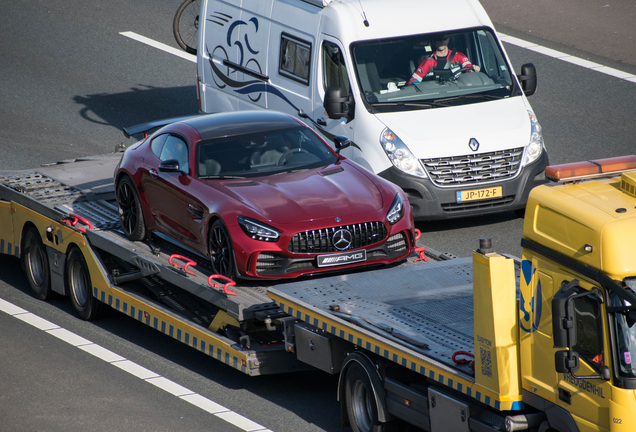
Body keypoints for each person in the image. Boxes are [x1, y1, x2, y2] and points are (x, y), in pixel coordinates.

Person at [408, 35, 480, 86]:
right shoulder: (428, 62)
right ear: (434, 42)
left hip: (459, 92)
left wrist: (473, 70)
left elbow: (469, 68)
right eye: (438, 38)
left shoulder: (459, 56)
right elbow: (413, 81)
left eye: (444, 38)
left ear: (448, 39)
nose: (441, 41)